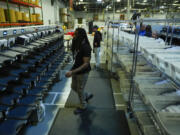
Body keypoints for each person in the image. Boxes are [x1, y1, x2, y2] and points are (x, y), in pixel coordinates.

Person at [65, 28, 93, 114]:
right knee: (73, 87)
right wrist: (72, 69)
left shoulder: (86, 47)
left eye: (76, 35)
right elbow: (76, 58)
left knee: (80, 89)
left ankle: (83, 105)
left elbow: (85, 64)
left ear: (81, 35)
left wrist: (72, 72)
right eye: (74, 34)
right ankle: (86, 95)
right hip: (75, 70)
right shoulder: (78, 44)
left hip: (83, 72)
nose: (74, 36)